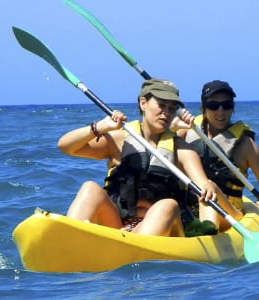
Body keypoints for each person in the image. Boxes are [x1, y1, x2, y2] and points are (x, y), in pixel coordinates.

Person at [57, 78, 242, 237]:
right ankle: (73, 236)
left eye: (172, 108)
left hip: (161, 229)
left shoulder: (181, 148)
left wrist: (207, 186)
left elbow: (202, 182)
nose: (166, 113)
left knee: (168, 205)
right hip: (118, 224)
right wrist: (100, 127)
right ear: (143, 103)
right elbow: (66, 147)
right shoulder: (119, 139)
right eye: (161, 105)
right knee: (90, 188)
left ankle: (137, 251)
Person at [175, 80, 259, 227]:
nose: (220, 111)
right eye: (213, 106)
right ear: (203, 107)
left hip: (229, 214)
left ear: (233, 108)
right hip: (189, 209)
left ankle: (207, 233)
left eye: (227, 105)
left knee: (209, 189)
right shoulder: (186, 131)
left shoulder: (245, 144)